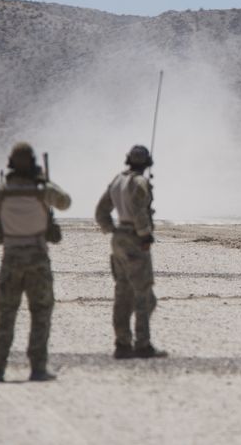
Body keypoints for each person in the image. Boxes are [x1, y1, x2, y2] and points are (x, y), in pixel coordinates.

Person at [0, 142, 70, 382]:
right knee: (41, 313)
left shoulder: (1, 191)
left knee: (6, 314)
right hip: (37, 256)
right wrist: (45, 182)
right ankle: (38, 368)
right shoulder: (42, 189)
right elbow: (65, 202)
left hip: (11, 256)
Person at [94, 145, 166, 359]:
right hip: (134, 238)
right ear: (147, 163)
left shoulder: (117, 180)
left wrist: (112, 230)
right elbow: (139, 211)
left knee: (122, 292)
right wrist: (144, 235)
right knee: (143, 293)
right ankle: (143, 344)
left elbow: (101, 212)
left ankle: (122, 344)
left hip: (119, 238)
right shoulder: (140, 182)